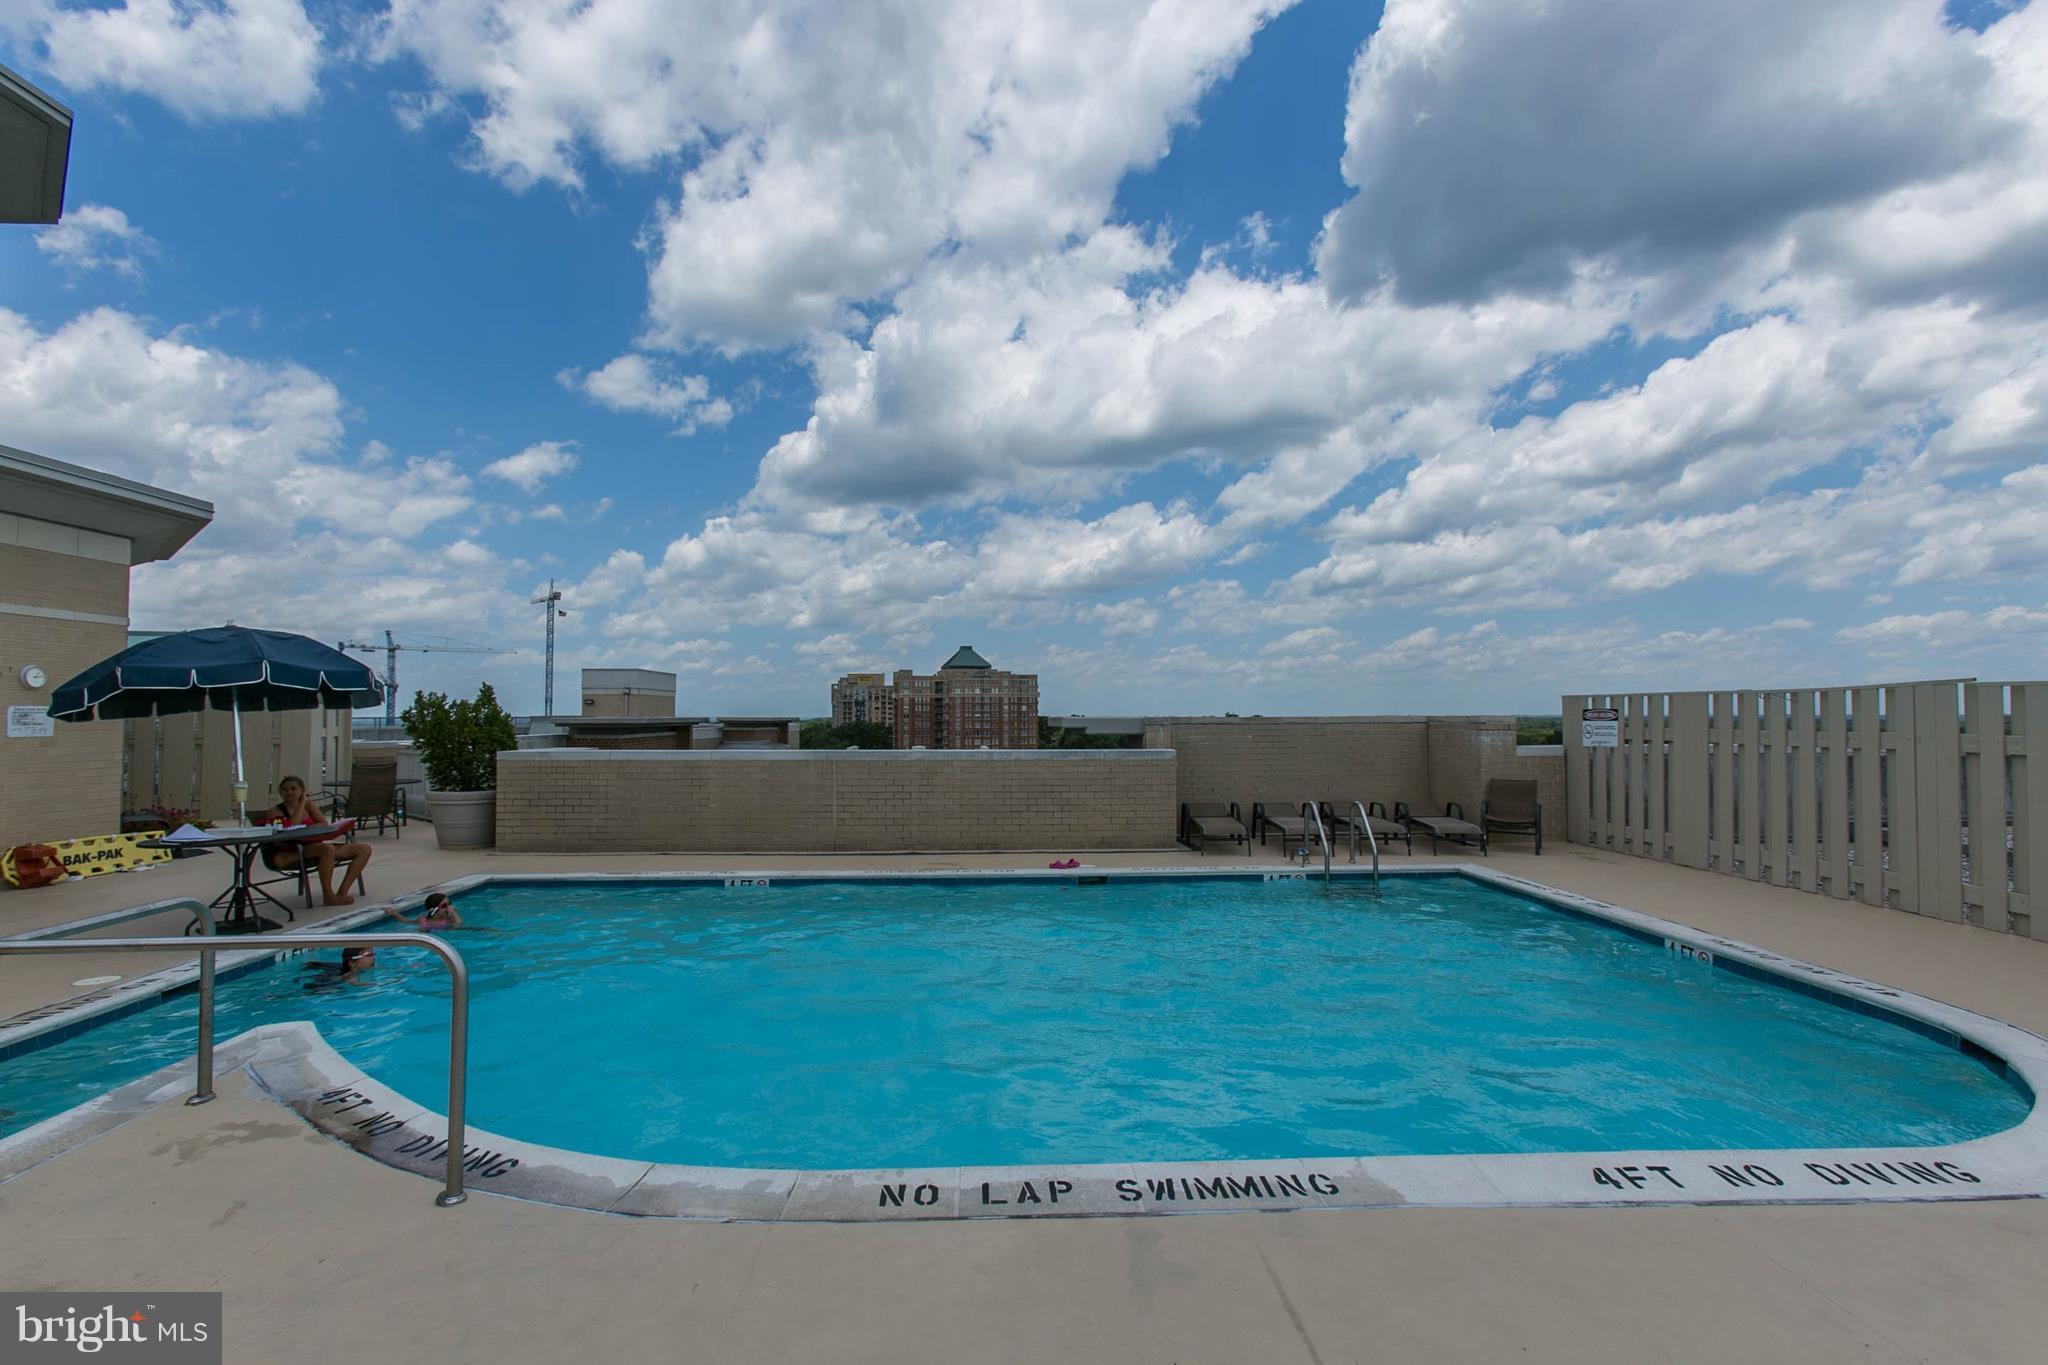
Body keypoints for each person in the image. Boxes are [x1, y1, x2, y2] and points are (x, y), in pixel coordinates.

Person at [266, 775, 374, 906]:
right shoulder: (275, 812)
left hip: (311, 846)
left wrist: (306, 825)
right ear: (280, 792)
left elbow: (323, 824)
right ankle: (328, 896)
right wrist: (302, 804)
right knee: (326, 849)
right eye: (285, 789)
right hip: (288, 852)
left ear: (301, 790)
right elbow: (294, 826)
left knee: (364, 849)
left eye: (293, 789)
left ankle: (342, 892)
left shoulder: (309, 805)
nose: (289, 792)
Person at [303, 946, 375, 990]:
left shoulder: (359, 970)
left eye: (373, 953)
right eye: (369, 955)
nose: (374, 957)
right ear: (352, 963)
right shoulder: (346, 978)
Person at [383, 891, 464, 930]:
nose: (449, 907)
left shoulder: (449, 918)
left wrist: (453, 913)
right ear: (433, 909)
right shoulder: (423, 920)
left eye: (449, 903)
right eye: (444, 905)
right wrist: (394, 914)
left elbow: (459, 925)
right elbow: (407, 922)